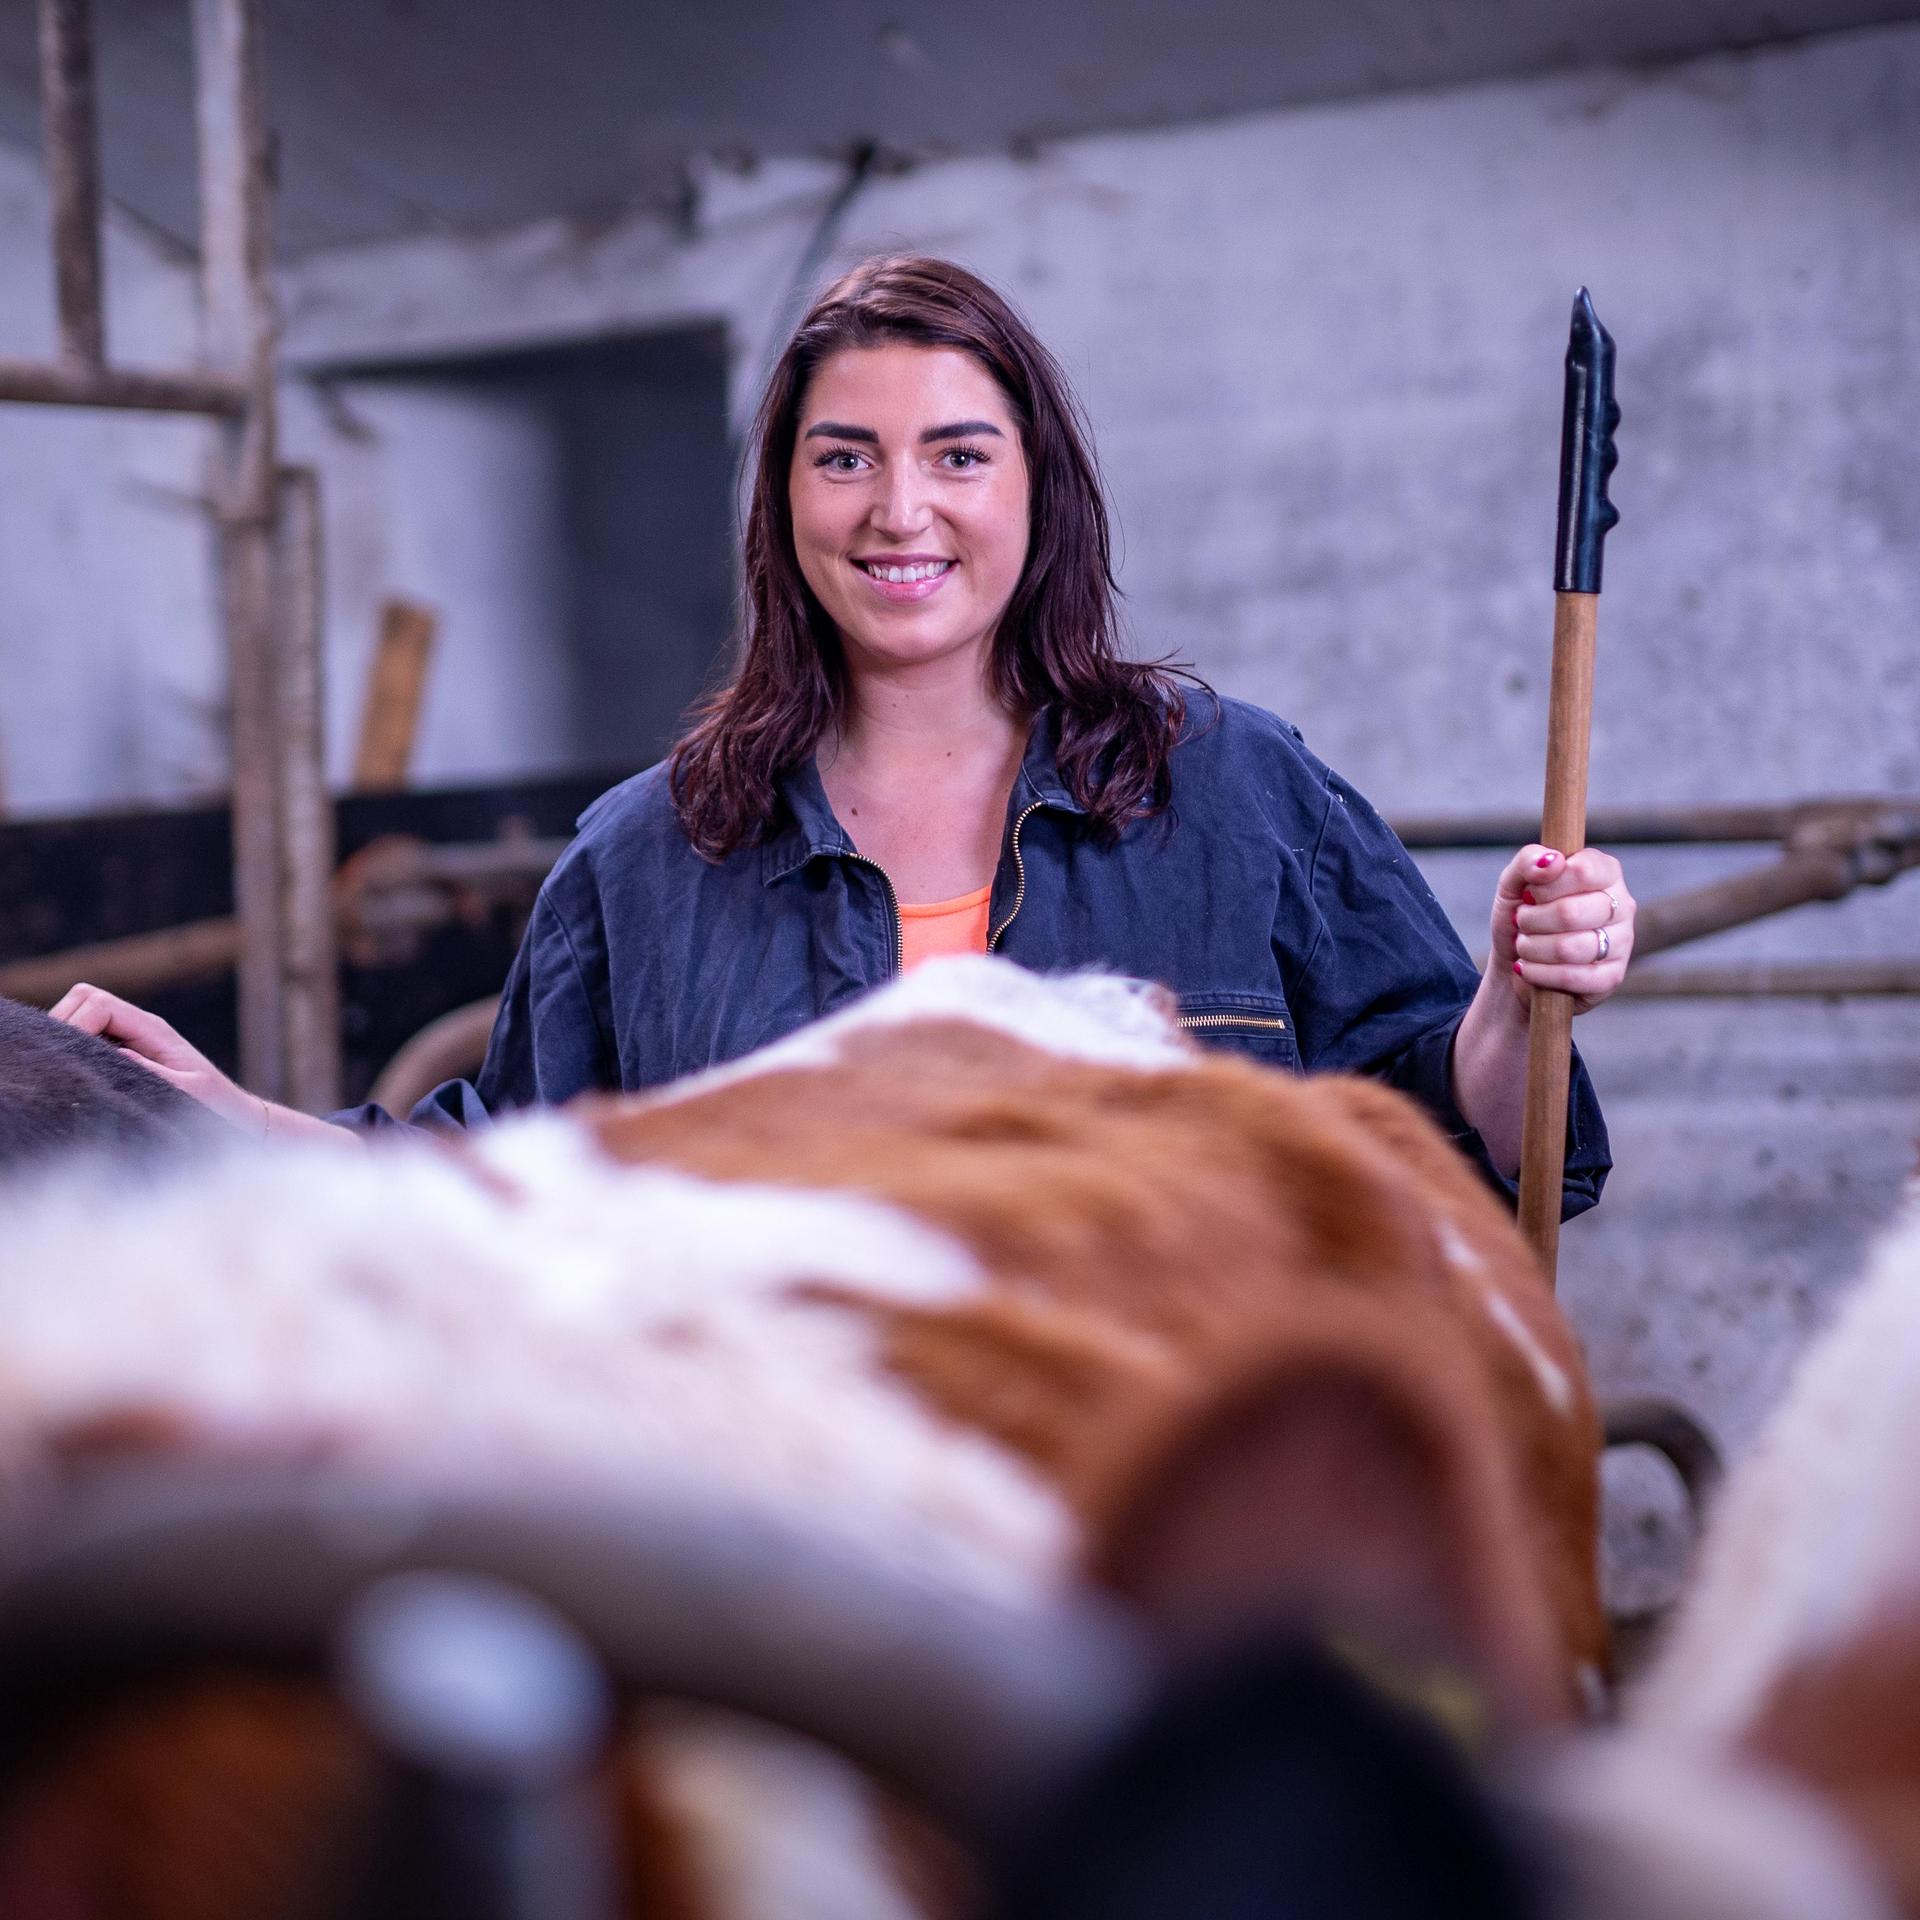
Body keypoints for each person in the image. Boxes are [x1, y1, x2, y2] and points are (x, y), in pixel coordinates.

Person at [53, 255, 1633, 1214]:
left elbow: (1476, 1152)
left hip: (1183, 1558)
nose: (900, 512)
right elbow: (500, 1187)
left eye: (957, 453)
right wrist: (233, 1114)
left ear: (1036, 489)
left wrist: (1516, 994)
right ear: (783, 501)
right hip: (811, 1567)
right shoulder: (649, 860)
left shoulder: (1235, 790)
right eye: (843, 458)